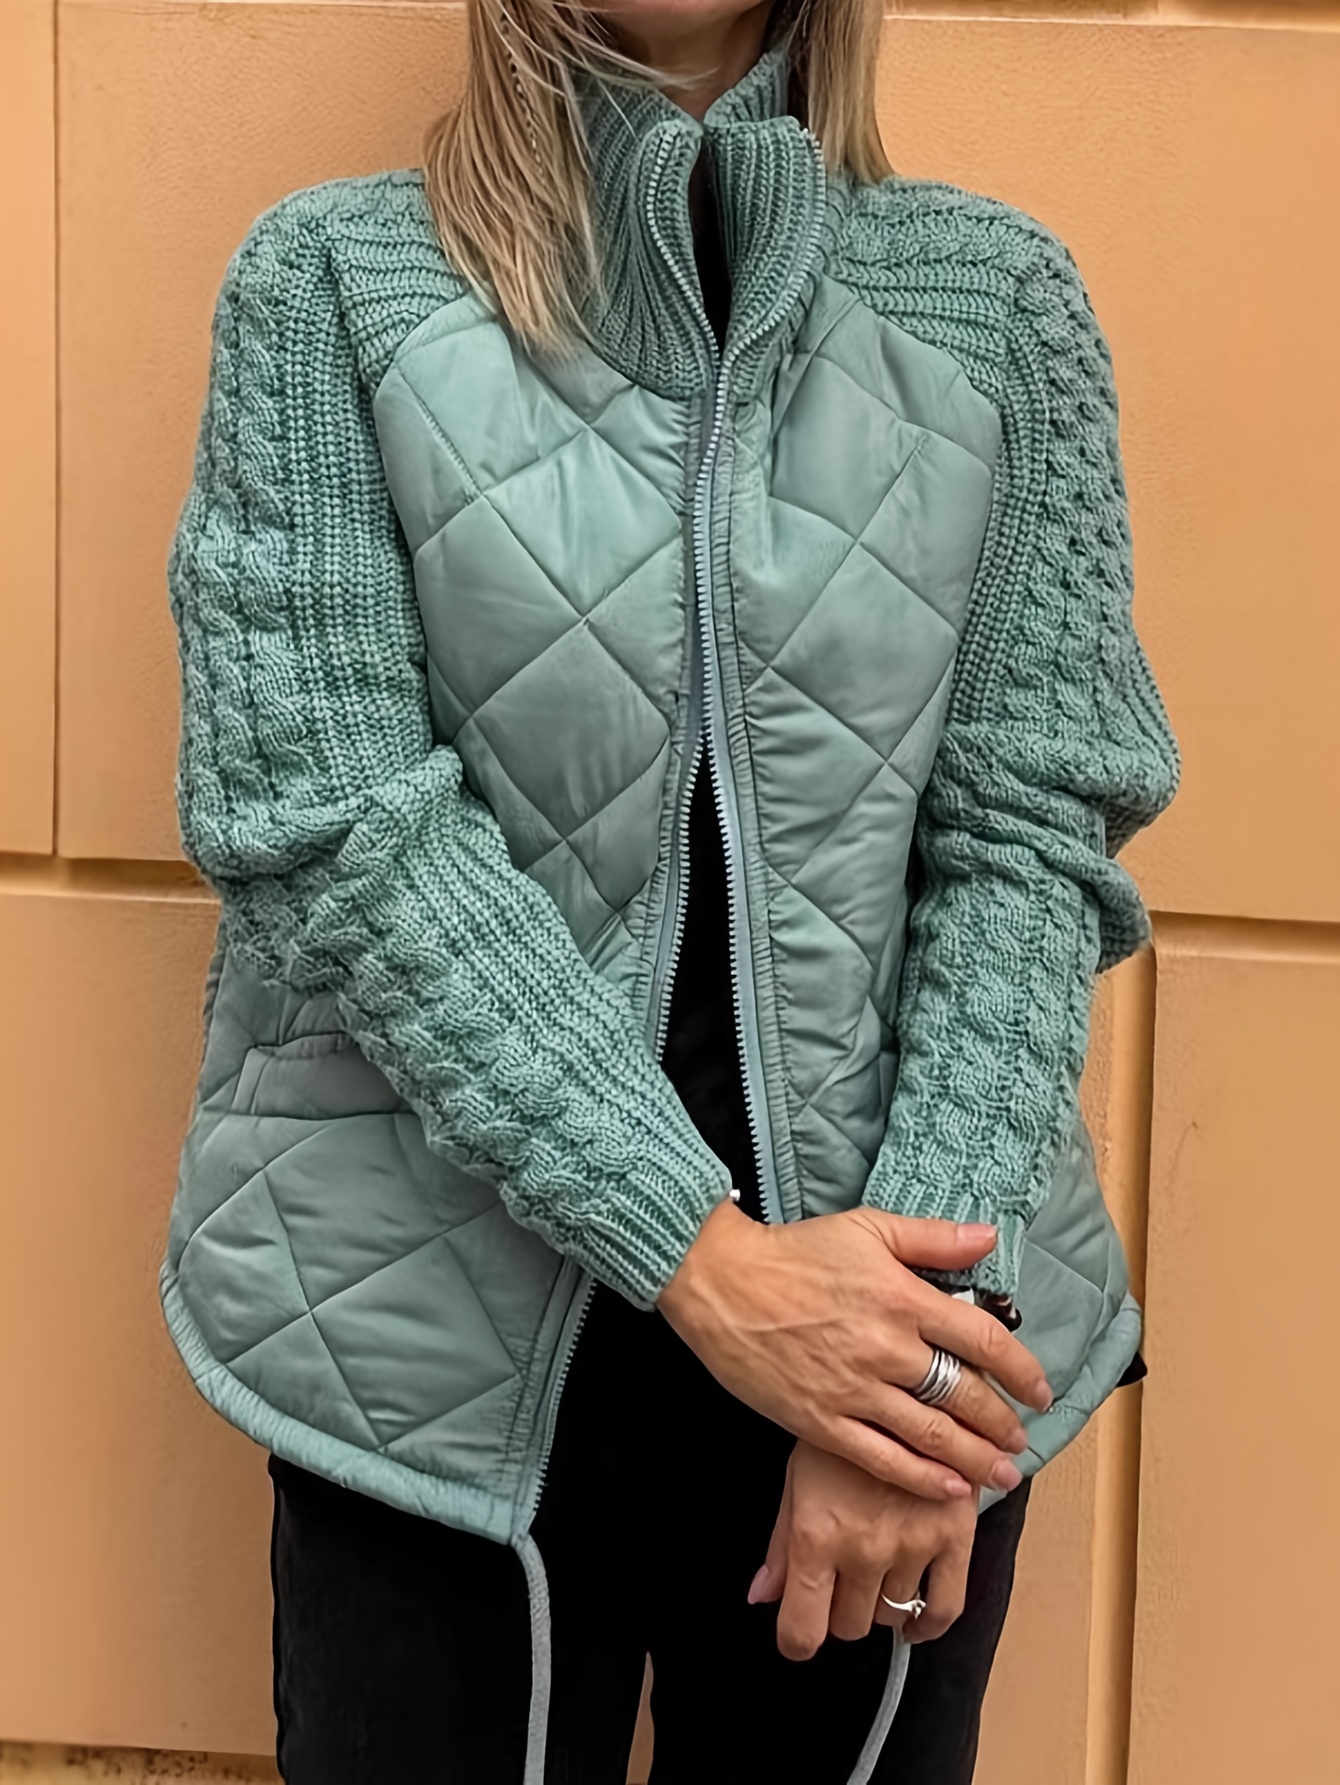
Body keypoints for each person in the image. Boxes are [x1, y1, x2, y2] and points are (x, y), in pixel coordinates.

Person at [159, 0, 1180, 1779]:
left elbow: (1026, 833)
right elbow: (330, 822)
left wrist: (909, 1377)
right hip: (424, 1356)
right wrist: (711, 1268)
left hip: (889, 1350)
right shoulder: (332, 287)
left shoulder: (997, 304)